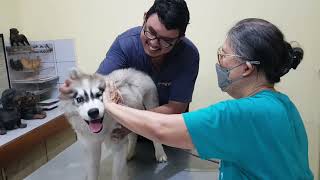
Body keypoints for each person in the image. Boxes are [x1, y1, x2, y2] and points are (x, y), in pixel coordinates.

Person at [103, 18, 314, 179]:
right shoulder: (284, 104)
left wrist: (110, 106)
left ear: (246, 68)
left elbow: (161, 129)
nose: (219, 63)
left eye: (223, 55)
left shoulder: (241, 114)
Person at [60, 0, 199, 138]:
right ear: (144, 18)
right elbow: (99, 82)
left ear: (179, 39)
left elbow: (175, 108)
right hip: (130, 128)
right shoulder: (125, 45)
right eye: (150, 32)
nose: (154, 44)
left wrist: (132, 125)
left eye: (166, 41)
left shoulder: (188, 55)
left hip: (169, 130)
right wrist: (78, 86)